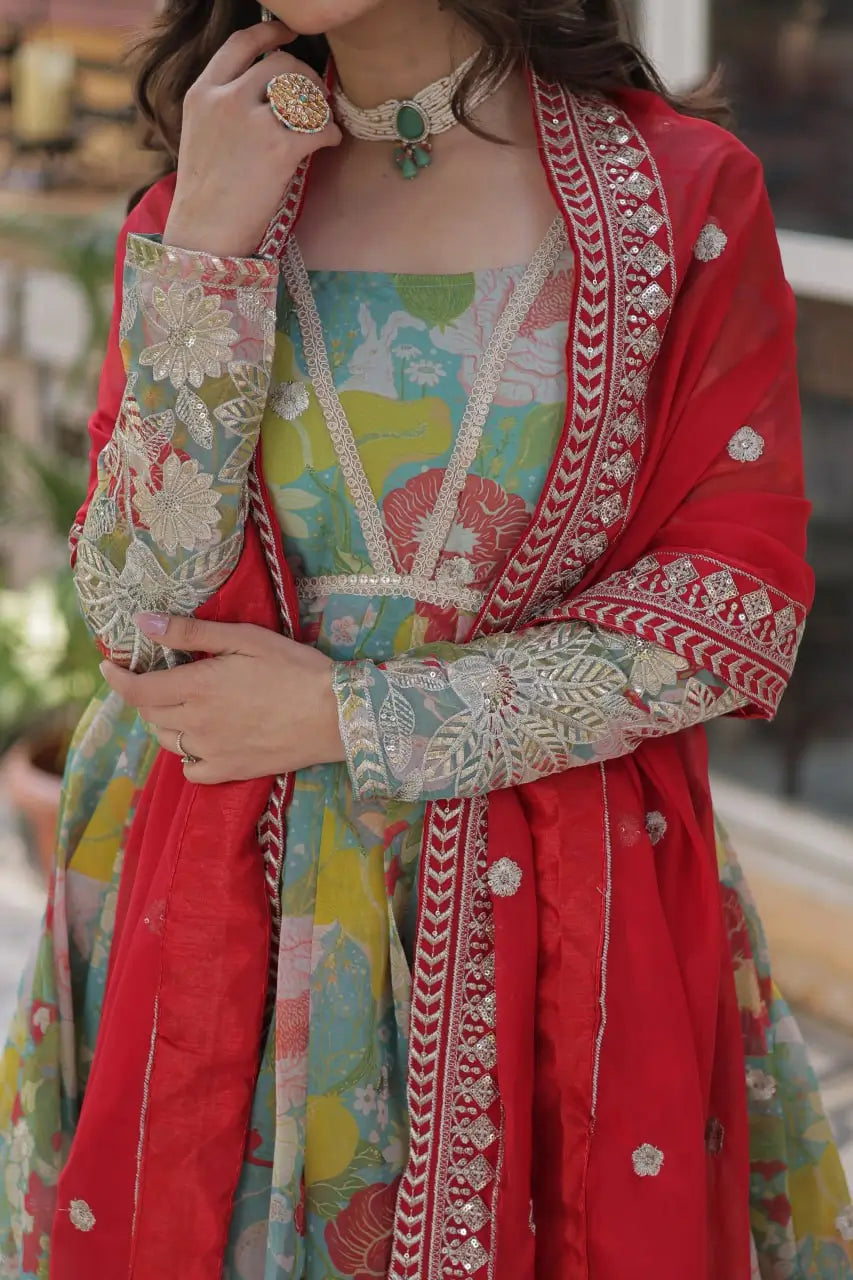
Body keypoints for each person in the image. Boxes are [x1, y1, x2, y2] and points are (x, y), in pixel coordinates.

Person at [1, 0, 851, 1276]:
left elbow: (726, 609)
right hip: (218, 898)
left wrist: (353, 715)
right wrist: (209, 244)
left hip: (553, 904)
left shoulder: (677, 197)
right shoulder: (206, 191)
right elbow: (135, 607)